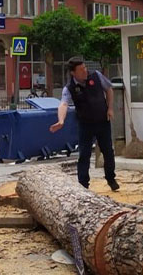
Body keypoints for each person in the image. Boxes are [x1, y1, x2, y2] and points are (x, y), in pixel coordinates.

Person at [50, 57, 119, 191]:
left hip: (102, 121)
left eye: (85, 68)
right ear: (73, 73)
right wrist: (61, 120)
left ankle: (111, 178)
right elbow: (63, 104)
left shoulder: (96, 76)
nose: (85, 71)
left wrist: (110, 108)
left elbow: (109, 89)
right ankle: (83, 185)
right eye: (81, 70)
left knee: (108, 152)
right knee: (84, 154)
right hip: (85, 124)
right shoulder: (69, 88)